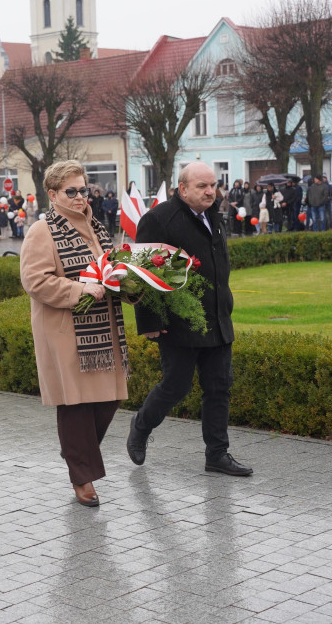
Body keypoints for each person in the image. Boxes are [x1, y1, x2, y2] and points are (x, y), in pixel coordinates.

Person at [127, 162, 251, 477]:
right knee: (176, 386)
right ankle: (141, 426)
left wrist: (226, 303)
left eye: (213, 185)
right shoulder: (158, 219)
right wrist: (150, 320)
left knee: (219, 387)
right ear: (183, 189)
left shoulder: (215, 216)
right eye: (202, 186)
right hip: (179, 323)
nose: (211, 191)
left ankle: (217, 455)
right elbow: (141, 274)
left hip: (218, 319)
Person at [19, 160, 127, 508]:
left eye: (84, 189)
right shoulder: (42, 230)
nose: (81, 196)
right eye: (72, 191)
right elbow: (35, 281)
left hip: (103, 330)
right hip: (65, 332)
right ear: (53, 194)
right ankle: (82, 475)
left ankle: (76, 453)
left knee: (110, 398)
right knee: (76, 405)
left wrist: (127, 283)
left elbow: (108, 269)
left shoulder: (96, 225)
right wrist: (79, 289)